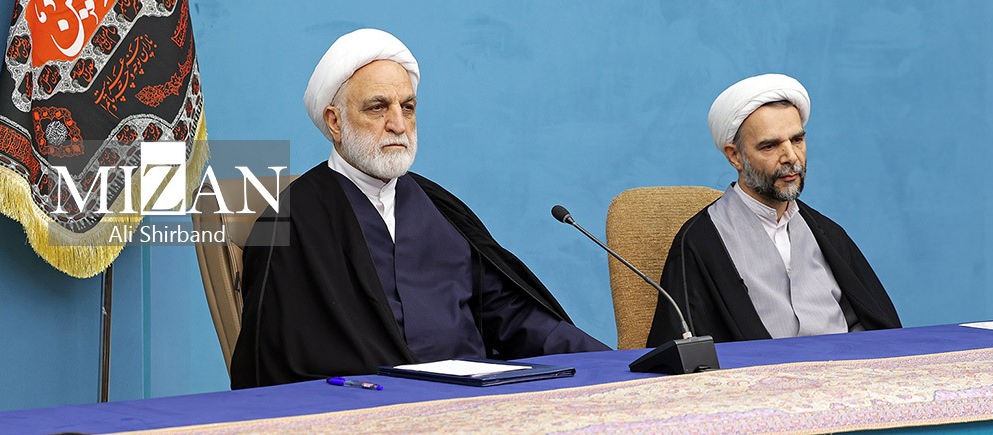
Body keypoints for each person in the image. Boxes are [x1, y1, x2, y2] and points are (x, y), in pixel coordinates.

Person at [230, 29, 606, 388]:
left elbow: (513, 316)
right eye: (378, 107)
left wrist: (611, 361)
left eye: (407, 107)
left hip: (479, 403)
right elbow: (277, 366)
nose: (398, 124)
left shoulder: (439, 207)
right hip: (371, 409)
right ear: (335, 121)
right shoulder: (290, 220)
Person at [646, 74, 901, 346]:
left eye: (797, 140)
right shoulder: (700, 243)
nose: (791, 157)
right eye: (770, 146)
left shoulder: (828, 234)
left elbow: (877, 327)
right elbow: (686, 355)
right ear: (735, 156)